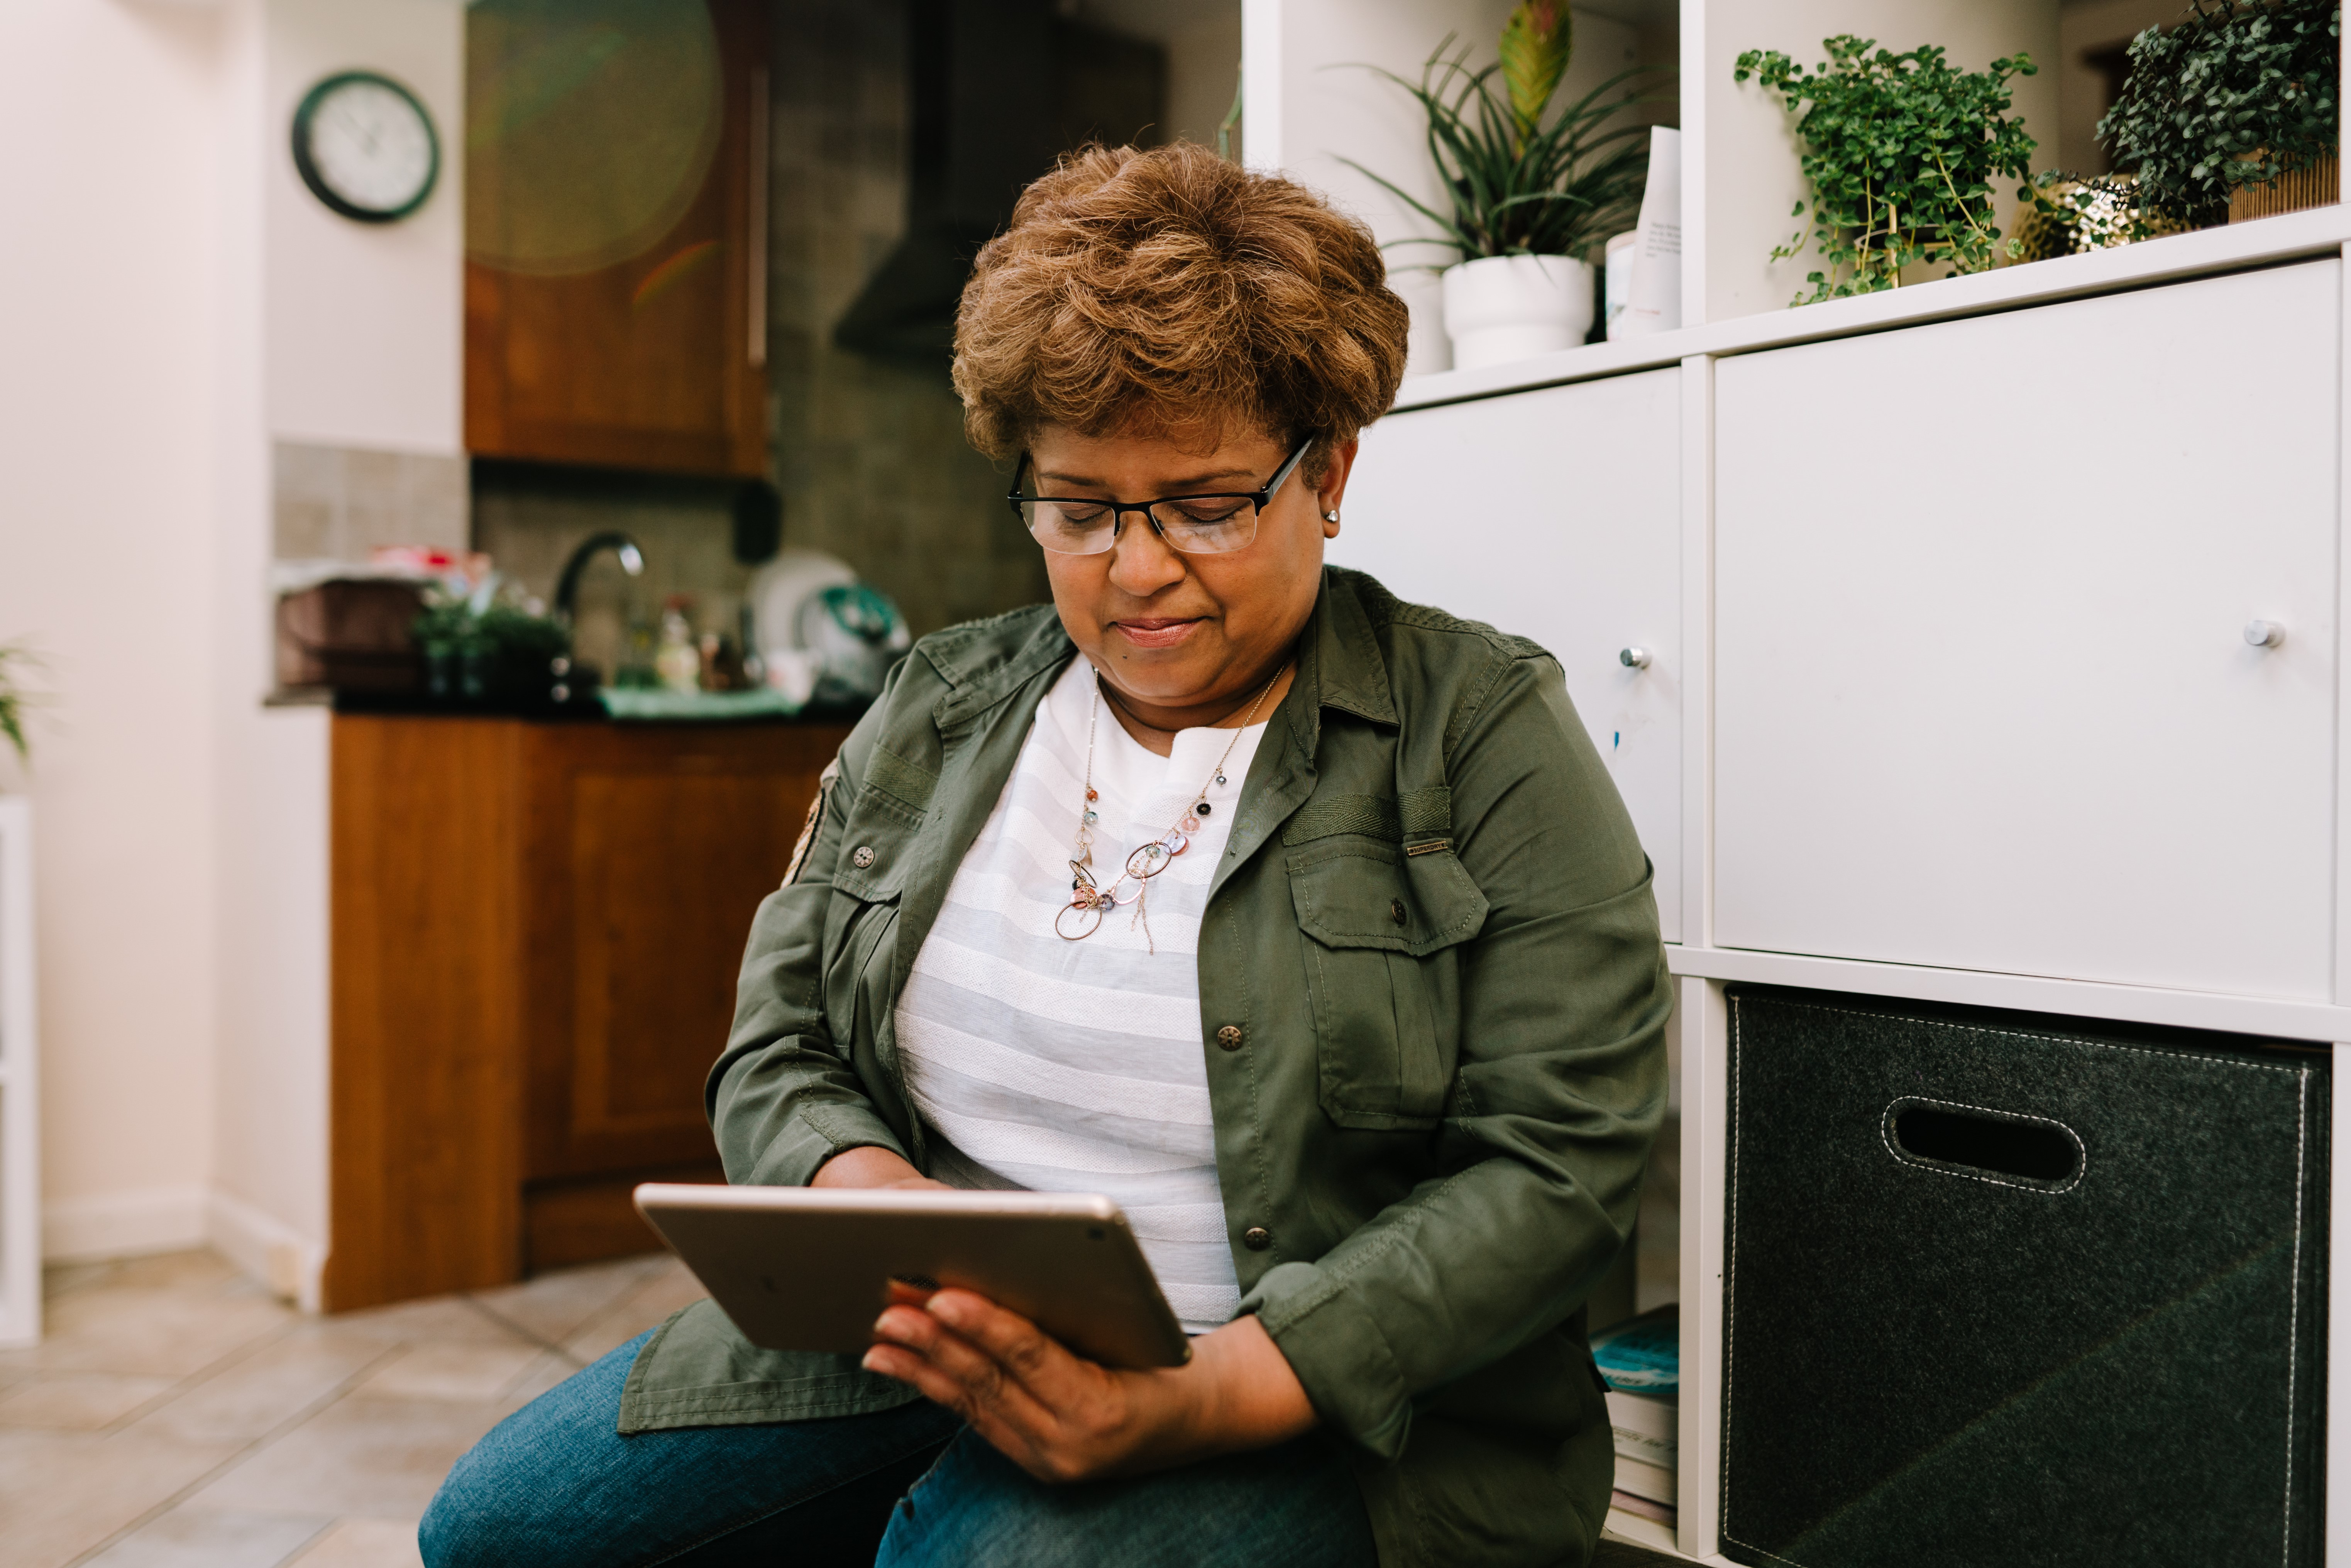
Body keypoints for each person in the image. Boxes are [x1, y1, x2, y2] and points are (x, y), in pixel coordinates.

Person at [420, 140, 1669, 1568]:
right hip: (917, 1337)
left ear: (1326, 474)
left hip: (1293, 1392)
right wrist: (870, 1204)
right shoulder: (940, 706)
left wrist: (1202, 1398)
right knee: (503, 1533)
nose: (1136, 569)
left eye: (1206, 506)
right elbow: (778, 1045)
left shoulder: (1479, 727)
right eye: (1077, 510)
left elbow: (1557, 1164)